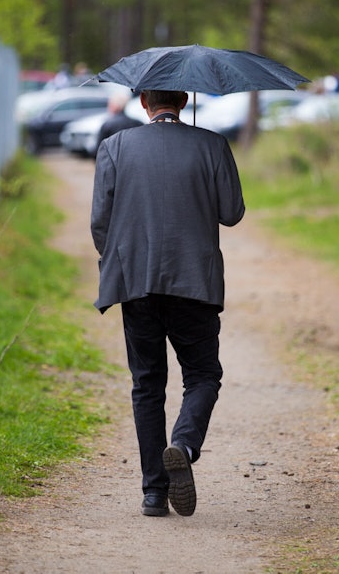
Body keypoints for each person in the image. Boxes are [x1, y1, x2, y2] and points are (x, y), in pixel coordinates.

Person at [90, 89, 245, 517]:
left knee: (146, 384)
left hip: (135, 280)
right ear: (183, 99)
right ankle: (184, 444)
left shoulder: (114, 146)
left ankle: (154, 494)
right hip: (194, 280)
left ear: (144, 103)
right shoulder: (211, 144)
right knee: (202, 375)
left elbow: (100, 223)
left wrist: (120, 261)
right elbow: (232, 212)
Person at [95, 91, 141, 158]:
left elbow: (98, 150)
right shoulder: (138, 123)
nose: (108, 107)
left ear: (115, 105)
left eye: (110, 104)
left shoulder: (108, 125)